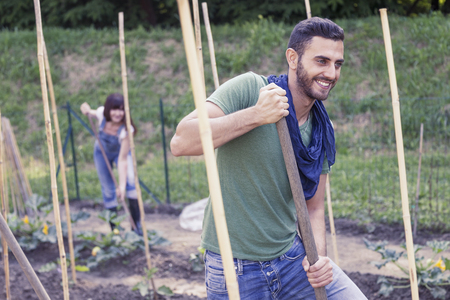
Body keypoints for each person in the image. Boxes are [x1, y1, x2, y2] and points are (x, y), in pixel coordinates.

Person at [170, 17, 367, 299]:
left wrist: (319, 260)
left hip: (291, 259)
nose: (331, 73)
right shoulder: (251, 89)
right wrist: (255, 115)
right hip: (235, 269)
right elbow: (180, 141)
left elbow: (314, 208)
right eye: (321, 61)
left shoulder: (322, 128)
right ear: (292, 58)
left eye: (337, 64)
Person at [80, 93, 143, 236]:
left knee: (131, 183)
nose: (118, 113)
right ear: (108, 109)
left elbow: (122, 160)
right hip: (101, 153)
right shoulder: (102, 114)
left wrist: (121, 185)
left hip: (121, 153)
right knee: (108, 190)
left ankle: (136, 227)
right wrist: (86, 110)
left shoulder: (127, 130)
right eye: (114, 109)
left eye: (121, 110)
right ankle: (115, 230)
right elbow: (91, 112)